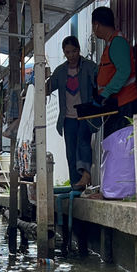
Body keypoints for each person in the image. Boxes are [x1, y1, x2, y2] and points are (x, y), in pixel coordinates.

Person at [47, 36, 98, 189]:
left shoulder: (89, 66)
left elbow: (100, 82)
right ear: (64, 53)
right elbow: (47, 88)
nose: (71, 55)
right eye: (67, 52)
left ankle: (86, 175)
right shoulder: (60, 71)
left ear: (79, 50)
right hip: (67, 118)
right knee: (70, 151)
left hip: (85, 114)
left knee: (83, 143)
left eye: (74, 51)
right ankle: (76, 184)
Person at [91, 6, 137, 139]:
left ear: (96, 25)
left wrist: (104, 94)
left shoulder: (117, 42)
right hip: (115, 104)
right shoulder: (111, 43)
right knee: (113, 143)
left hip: (124, 103)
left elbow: (124, 72)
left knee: (118, 145)